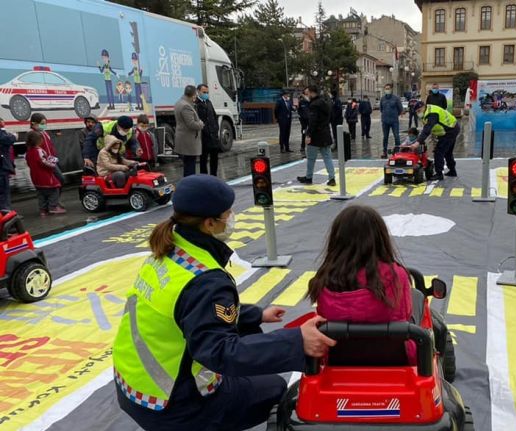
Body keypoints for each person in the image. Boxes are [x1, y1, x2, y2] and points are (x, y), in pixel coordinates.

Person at [113, 174, 336, 431]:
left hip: (134, 386)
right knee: (275, 387)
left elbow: (189, 312)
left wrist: (255, 315)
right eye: (228, 214)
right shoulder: (206, 279)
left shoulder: (167, 252)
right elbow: (220, 352)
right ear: (209, 223)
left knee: (251, 339)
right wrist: (298, 341)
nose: (232, 219)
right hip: (176, 402)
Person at [307, 205, 415, 363]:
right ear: (380, 238)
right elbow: (405, 314)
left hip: (339, 362)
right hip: (396, 360)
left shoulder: (323, 280)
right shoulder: (397, 276)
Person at [297, 85, 336, 186]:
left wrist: (308, 135)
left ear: (311, 92)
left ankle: (309, 177)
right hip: (325, 134)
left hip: (316, 136)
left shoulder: (314, 105)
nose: (307, 95)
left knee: (311, 158)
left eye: (307, 93)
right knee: (327, 157)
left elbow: (312, 121)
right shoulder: (324, 102)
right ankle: (332, 178)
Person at [416, 101, 459, 181]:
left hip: (449, 131)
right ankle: (452, 171)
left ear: (423, 107)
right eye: (417, 112)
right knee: (447, 152)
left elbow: (427, 130)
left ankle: (439, 174)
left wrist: (418, 142)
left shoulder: (432, 114)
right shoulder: (428, 111)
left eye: (419, 111)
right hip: (451, 128)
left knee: (439, 152)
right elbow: (430, 128)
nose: (418, 113)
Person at [24, 131, 65, 216]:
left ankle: (43, 210)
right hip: (45, 176)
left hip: (35, 177)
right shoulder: (39, 151)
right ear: (39, 140)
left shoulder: (28, 152)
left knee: (41, 193)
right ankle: (53, 207)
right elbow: (43, 162)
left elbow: (28, 163)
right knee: (55, 190)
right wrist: (52, 164)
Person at [175, 85, 204, 177]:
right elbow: (191, 124)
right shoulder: (186, 106)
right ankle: (190, 186)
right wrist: (201, 124)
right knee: (190, 167)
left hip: (185, 140)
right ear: (193, 95)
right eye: (195, 94)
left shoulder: (180, 102)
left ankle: (188, 183)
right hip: (188, 141)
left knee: (188, 165)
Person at [29, 113, 65, 187]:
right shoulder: (33, 135)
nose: (44, 125)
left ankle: (54, 197)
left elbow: (50, 146)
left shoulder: (44, 132)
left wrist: (54, 157)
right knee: (59, 179)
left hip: (51, 159)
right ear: (33, 123)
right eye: (42, 124)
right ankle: (54, 197)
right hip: (45, 161)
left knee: (59, 180)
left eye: (45, 123)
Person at [195, 84, 221, 175]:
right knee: (203, 159)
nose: (206, 94)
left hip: (213, 135)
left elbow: (214, 116)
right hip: (204, 136)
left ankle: (214, 175)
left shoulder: (209, 102)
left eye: (207, 92)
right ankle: (204, 177)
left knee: (214, 158)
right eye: (204, 92)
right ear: (198, 92)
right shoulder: (196, 104)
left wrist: (216, 128)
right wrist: (205, 131)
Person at [380, 84, 403, 158]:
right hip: (385, 121)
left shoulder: (396, 98)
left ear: (391, 89)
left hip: (394, 121)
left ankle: (398, 151)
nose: (387, 90)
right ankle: (384, 152)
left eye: (388, 88)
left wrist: (395, 115)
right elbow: (381, 109)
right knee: (385, 137)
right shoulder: (382, 99)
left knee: (396, 136)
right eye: (386, 88)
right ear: (384, 89)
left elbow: (400, 109)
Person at [0, 118, 16, 211]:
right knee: (4, 193)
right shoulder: (2, 134)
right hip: (1, 168)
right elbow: (8, 139)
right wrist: (13, 135)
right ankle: (6, 214)